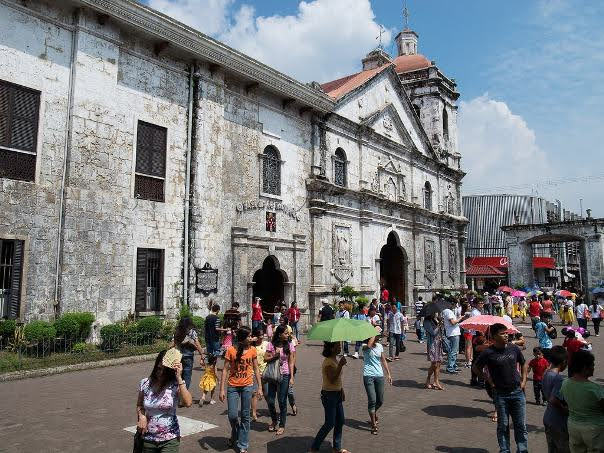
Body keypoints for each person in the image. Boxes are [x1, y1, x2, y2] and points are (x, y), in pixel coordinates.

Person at [473, 323, 529, 453]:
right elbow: (476, 368)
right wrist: (488, 380)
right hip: (500, 393)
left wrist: (524, 380)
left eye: (506, 333)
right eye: (502, 333)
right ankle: (504, 450)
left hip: (517, 392)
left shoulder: (513, 348)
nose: (506, 335)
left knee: (520, 425)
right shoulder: (488, 352)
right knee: (503, 426)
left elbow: (523, 363)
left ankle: (522, 449)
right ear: (493, 336)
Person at [136, 350, 192, 453]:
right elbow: (140, 404)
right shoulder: (145, 383)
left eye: (164, 370)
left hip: (170, 438)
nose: (160, 373)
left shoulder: (175, 385)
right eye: (158, 368)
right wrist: (142, 416)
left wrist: (179, 377)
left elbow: (188, 403)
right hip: (148, 437)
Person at [219, 326, 263, 453]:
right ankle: (236, 434)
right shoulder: (231, 350)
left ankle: (243, 445)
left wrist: (259, 387)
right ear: (243, 338)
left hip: (247, 386)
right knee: (232, 415)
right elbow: (225, 370)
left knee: (245, 416)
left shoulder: (253, 350)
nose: (251, 338)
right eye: (249, 336)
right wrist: (221, 389)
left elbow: (256, 369)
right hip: (232, 386)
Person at [559, 350, 604, 452]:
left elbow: (564, 401)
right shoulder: (595, 389)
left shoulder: (565, 383)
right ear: (584, 368)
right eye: (592, 365)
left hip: (573, 427)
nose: (593, 368)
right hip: (594, 430)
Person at [309, 341, 349, 453]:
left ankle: (337, 447)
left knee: (340, 420)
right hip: (329, 395)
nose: (340, 348)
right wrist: (340, 365)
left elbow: (338, 380)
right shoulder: (328, 362)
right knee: (330, 423)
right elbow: (332, 379)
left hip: (337, 393)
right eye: (338, 346)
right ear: (332, 348)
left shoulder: (334, 359)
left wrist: (342, 389)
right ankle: (314, 447)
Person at [264, 324, 296, 435]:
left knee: (282, 401)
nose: (288, 335)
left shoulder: (290, 345)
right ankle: (274, 420)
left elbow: (291, 362)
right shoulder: (271, 345)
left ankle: (282, 425)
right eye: (286, 333)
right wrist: (275, 356)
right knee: (271, 400)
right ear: (279, 334)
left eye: (288, 333)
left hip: (285, 374)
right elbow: (265, 358)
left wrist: (292, 377)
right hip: (273, 375)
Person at [542, 345, 570, 453]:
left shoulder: (546, 374)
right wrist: (565, 409)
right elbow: (554, 399)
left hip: (548, 418)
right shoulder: (559, 379)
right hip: (558, 420)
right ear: (563, 362)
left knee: (552, 448)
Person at [362, 335, 392, 435]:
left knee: (380, 400)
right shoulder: (364, 346)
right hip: (368, 375)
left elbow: (383, 360)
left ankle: (373, 413)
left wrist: (388, 374)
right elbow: (369, 345)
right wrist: (373, 334)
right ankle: (374, 425)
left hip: (379, 375)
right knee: (372, 400)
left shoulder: (379, 346)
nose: (378, 338)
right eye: (376, 336)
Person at [173, 317, 204, 392]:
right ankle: (184, 394)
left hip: (178, 355)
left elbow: (173, 343)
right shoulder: (191, 331)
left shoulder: (177, 331)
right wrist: (202, 354)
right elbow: (197, 343)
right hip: (188, 355)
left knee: (179, 374)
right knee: (187, 375)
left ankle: (177, 394)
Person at [442, 305, 467, 373]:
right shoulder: (448, 311)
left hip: (452, 332)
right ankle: (450, 367)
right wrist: (460, 318)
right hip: (453, 333)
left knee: (454, 351)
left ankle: (453, 365)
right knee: (453, 351)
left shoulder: (445, 311)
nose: (456, 306)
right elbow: (453, 322)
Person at [250, 327, 269, 422]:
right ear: (255, 336)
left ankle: (270, 408)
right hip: (253, 372)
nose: (261, 337)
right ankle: (253, 413)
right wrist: (251, 340)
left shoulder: (266, 344)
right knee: (254, 393)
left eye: (263, 335)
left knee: (266, 393)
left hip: (265, 371)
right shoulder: (250, 346)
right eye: (259, 336)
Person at [424, 314, 444, 390]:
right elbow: (433, 333)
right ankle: (428, 379)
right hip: (432, 344)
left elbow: (440, 332)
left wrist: (441, 324)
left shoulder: (435, 320)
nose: (435, 313)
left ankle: (436, 381)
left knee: (438, 363)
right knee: (434, 363)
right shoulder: (426, 322)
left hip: (438, 343)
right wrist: (438, 325)